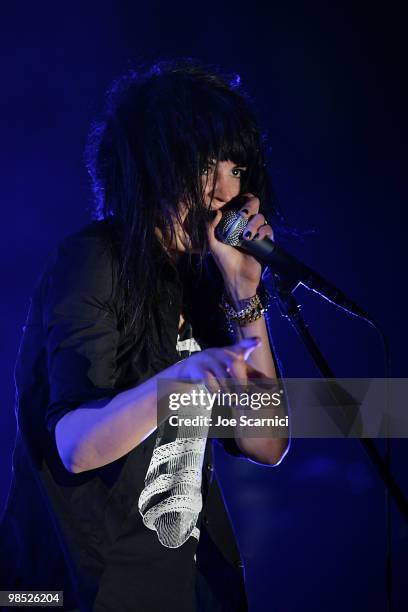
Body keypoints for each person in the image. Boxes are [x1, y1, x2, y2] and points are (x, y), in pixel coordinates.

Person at [0, 59, 289, 611]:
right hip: (76, 589)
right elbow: (77, 446)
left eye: (238, 169)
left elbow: (266, 443)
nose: (230, 189)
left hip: (188, 590)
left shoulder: (205, 282)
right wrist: (183, 380)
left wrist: (244, 295)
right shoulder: (92, 261)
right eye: (210, 166)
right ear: (160, 166)